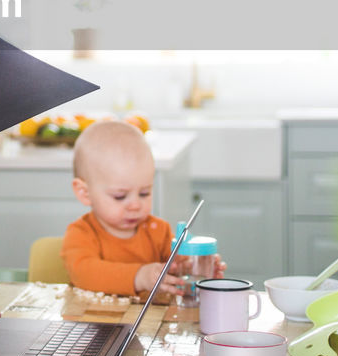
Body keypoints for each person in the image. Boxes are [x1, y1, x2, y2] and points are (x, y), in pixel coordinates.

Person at [60, 119, 224, 297]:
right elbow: (85, 274)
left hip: (146, 323)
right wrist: (140, 276)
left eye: (144, 193)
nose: (136, 205)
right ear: (84, 192)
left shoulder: (158, 231)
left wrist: (191, 267)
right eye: (120, 196)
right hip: (94, 322)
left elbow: (173, 269)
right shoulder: (81, 234)